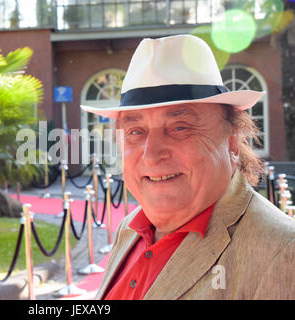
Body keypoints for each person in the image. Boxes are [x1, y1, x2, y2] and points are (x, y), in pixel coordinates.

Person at [81, 34, 294, 300]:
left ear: (232, 141)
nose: (151, 155)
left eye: (180, 127)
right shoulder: (131, 227)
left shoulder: (283, 253)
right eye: (136, 131)